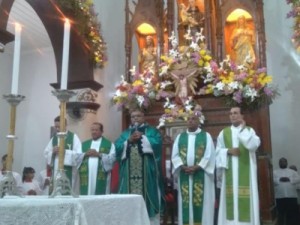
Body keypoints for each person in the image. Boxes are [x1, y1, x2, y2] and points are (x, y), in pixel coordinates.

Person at [115, 108, 164, 225]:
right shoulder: (126, 133)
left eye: (138, 116)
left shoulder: (152, 131)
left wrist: (144, 138)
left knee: (148, 194)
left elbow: (157, 145)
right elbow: (117, 147)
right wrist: (129, 140)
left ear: (143, 117)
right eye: (133, 117)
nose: (135, 118)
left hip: (147, 172)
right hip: (128, 172)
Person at [216, 106, 261, 225]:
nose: (233, 115)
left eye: (236, 113)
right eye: (230, 113)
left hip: (246, 173)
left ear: (242, 116)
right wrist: (228, 151)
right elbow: (217, 152)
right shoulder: (224, 132)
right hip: (229, 174)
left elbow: (253, 145)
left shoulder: (249, 131)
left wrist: (243, 129)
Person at [171, 112, 215, 225]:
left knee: (202, 202)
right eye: (189, 119)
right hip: (184, 174)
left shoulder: (206, 136)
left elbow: (209, 155)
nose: (190, 121)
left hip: (201, 174)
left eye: (193, 119)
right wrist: (183, 167)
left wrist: (197, 167)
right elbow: (175, 155)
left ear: (198, 121)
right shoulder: (180, 137)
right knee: (186, 202)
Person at [44, 116, 82, 194]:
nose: (57, 129)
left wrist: (65, 152)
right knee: (56, 192)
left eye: (59, 126)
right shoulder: (54, 139)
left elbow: (79, 156)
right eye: (56, 126)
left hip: (69, 172)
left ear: (65, 125)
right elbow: (46, 154)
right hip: (56, 171)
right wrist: (53, 152)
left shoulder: (73, 137)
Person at [79, 122, 116, 195]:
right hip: (86, 176)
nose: (94, 132)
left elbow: (112, 159)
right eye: (92, 130)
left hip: (102, 176)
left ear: (102, 131)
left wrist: (99, 155)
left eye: (96, 130)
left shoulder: (109, 144)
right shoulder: (84, 144)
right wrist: (85, 154)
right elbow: (76, 157)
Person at [273, 158, 300, 225]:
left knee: (292, 214)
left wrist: (289, 179)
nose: (282, 163)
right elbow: (271, 179)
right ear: (279, 163)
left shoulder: (292, 172)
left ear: (287, 163)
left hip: (291, 196)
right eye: (281, 162)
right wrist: (279, 179)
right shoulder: (274, 172)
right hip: (279, 196)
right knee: (281, 214)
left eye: (284, 162)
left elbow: (298, 179)